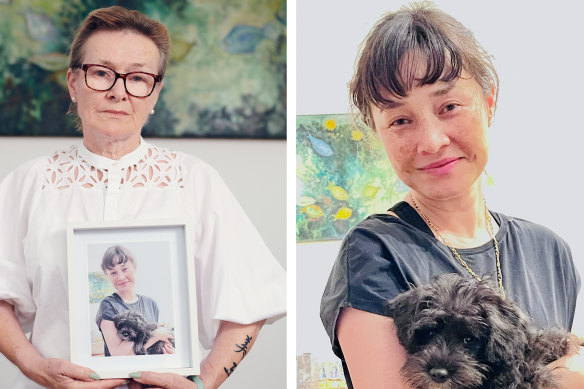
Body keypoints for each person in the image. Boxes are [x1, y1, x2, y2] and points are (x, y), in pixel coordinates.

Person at [0, 6, 285, 389]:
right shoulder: (29, 183)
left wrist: (203, 382)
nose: (118, 91)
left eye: (137, 78)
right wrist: (36, 368)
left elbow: (253, 299)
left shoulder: (194, 181)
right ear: (73, 82)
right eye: (101, 73)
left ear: (154, 93)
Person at [320, 3, 582, 388]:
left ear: (488, 104)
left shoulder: (549, 250)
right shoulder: (374, 253)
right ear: (378, 133)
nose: (431, 141)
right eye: (400, 120)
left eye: (449, 106)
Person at [96, 245, 174, 357]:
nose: (121, 277)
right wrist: (154, 336)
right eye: (113, 273)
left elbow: (156, 346)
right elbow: (118, 354)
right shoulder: (108, 305)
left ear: (135, 267)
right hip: (123, 373)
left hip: (151, 370)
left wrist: (171, 353)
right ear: (107, 276)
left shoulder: (151, 304)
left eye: (125, 269)